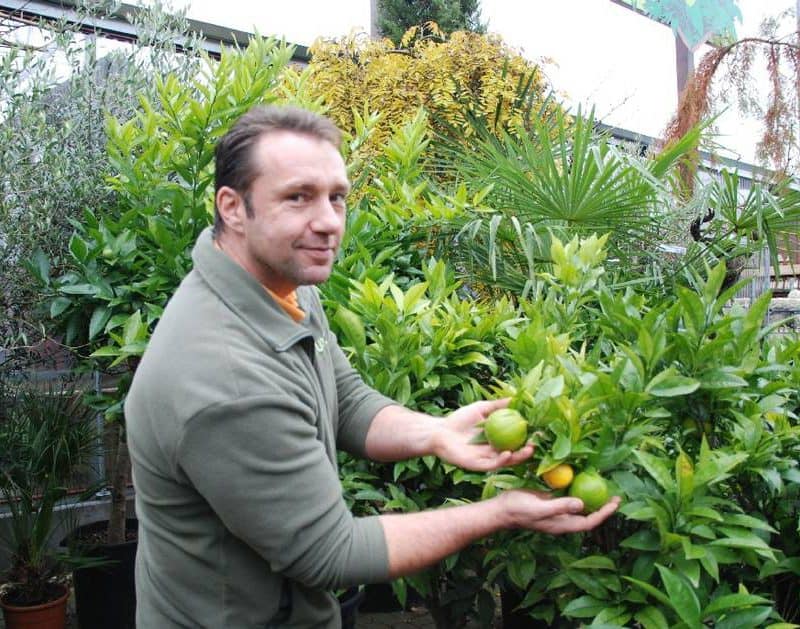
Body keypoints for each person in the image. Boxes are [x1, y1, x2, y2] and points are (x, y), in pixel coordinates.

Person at [125, 105, 620, 628]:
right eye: (298, 197)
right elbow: (329, 552)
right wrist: (500, 512)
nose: (328, 221)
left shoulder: (277, 287)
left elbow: (348, 402)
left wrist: (436, 433)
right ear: (233, 207)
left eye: (336, 197)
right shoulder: (224, 377)